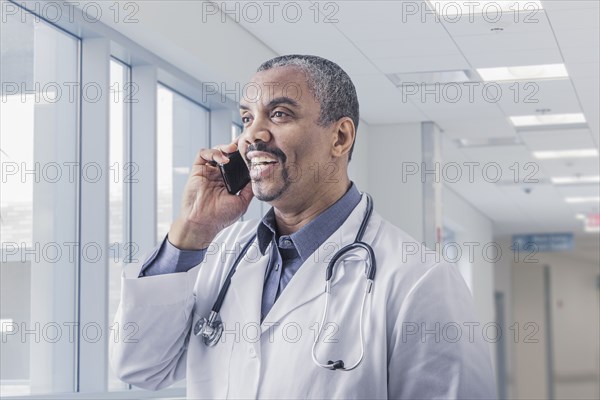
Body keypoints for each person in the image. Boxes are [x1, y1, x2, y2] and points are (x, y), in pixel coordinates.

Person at [110, 55, 497, 399]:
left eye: (279, 114)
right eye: (247, 118)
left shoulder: (419, 280)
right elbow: (142, 367)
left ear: (340, 137)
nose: (252, 135)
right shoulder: (223, 255)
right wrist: (193, 229)